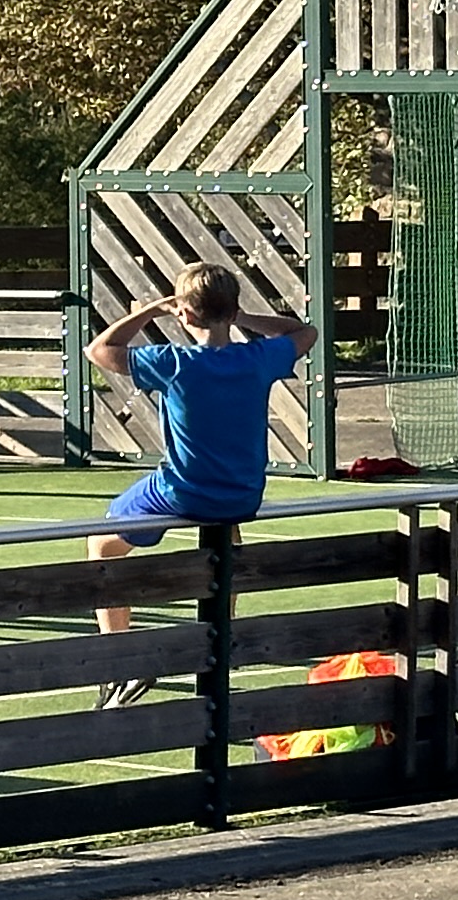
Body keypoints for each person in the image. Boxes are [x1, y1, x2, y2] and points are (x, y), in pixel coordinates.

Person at [81, 261, 316, 709]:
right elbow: (304, 332)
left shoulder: (173, 361)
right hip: (243, 491)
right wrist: (241, 318)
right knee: (225, 535)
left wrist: (150, 310)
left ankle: (119, 662)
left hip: (184, 489)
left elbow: (100, 349)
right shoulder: (256, 358)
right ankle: (217, 647)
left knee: (102, 544)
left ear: (185, 314)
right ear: (230, 308)